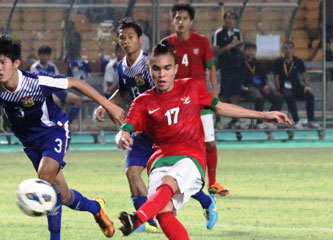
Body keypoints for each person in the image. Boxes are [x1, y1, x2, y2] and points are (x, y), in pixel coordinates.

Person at [116, 43, 291, 239]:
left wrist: (264, 115)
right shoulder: (143, 101)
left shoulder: (191, 87)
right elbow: (127, 127)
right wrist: (121, 136)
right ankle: (143, 217)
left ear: (175, 69)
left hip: (190, 158)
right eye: (156, 69)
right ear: (149, 70)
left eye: (167, 68)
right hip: (159, 160)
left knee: (169, 182)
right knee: (164, 213)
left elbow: (220, 107)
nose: (162, 74)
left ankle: (138, 219)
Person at [0, 35, 125, 240]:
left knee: (45, 178)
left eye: (3, 62)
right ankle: (96, 208)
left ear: (16, 64)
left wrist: (109, 105)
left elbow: (75, 83)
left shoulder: (36, 83)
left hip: (53, 130)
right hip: (30, 142)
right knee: (63, 196)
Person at [94, 18, 158, 233]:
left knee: (168, 179)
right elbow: (123, 92)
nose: (126, 41)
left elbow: (160, 95)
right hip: (139, 127)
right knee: (132, 173)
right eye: (123, 37)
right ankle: (146, 221)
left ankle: (205, 200)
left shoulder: (150, 65)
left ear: (140, 39)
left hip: (159, 128)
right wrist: (106, 105)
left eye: (131, 37)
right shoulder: (122, 66)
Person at [162, 3, 228, 196]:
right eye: (177, 18)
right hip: (176, 102)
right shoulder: (166, 44)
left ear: (191, 21)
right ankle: (174, 181)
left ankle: (213, 182)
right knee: (176, 144)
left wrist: (214, 92)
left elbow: (211, 68)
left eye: (184, 18)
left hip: (200, 100)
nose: (180, 21)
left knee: (209, 141)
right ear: (172, 20)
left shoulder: (202, 42)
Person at [274, 40, 320, 129]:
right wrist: (278, 89)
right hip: (284, 88)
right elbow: (276, 77)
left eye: (290, 48)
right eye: (285, 48)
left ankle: (311, 120)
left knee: (309, 95)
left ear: (293, 49)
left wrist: (306, 86)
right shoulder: (278, 62)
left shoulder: (298, 61)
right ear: (282, 50)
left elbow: (304, 75)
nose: (288, 50)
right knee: (289, 96)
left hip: (296, 86)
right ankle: (297, 121)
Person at [30, 45, 82, 123]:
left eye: (47, 55)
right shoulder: (35, 67)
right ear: (39, 56)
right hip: (44, 91)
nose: (45, 57)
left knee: (78, 100)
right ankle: (55, 124)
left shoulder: (52, 66)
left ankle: (68, 122)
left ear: (50, 56)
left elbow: (57, 78)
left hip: (56, 90)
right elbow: (37, 83)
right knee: (56, 101)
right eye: (43, 55)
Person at [241, 42, 283, 129]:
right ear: (244, 51)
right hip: (247, 88)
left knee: (278, 97)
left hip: (260, 87)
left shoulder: (257, 63)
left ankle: (270, 120)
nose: (251, 52)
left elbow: (264, 77)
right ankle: (259, 122)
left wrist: (267, 85)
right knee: (259, 98)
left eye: (253, 50)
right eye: (249, 50)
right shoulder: (240, 63)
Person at [213, 11, 244, 129]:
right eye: (228, 18)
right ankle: (218, 119)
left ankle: (235, 120)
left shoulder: (237, 33)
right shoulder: (218, 33)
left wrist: (239, 46)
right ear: (224, 19)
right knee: (223, 94)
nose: (230, 21)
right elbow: (215, 52)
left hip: (236, 68)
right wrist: (229, 46)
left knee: (235, 94)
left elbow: (240, 48)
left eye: (232, 19)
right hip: (224, 68)